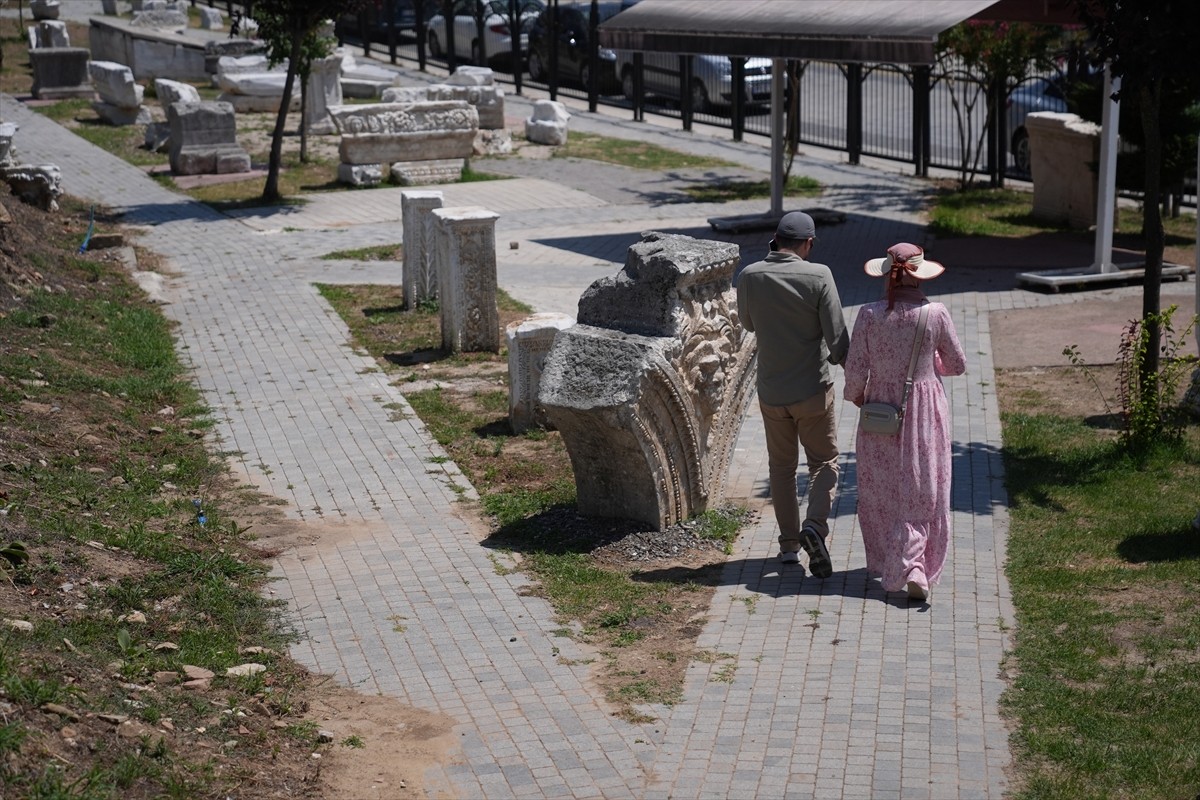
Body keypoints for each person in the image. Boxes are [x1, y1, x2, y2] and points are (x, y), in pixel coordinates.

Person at [843, 243, 966, 602]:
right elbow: (957, 364)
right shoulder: (936, 314)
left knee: (882, 487)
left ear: (888, 275)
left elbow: (854, 372)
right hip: (926, 410)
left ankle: (895, 562)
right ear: (919, 274)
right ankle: (916, 566)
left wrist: (860, 396)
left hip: (881, 410)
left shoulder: (868, 314)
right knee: (924, 487)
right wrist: (931, 369)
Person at [736, 211, 849, 577]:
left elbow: (748, 323)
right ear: (808, 243)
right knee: (824, 462)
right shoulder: (819, 275)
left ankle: (788, 547)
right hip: (813, 389)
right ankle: (814, 527)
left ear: (775, 239)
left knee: (781, 469)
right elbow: (837, 337)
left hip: (772, 392)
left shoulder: (750, 275)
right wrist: (848, 366)